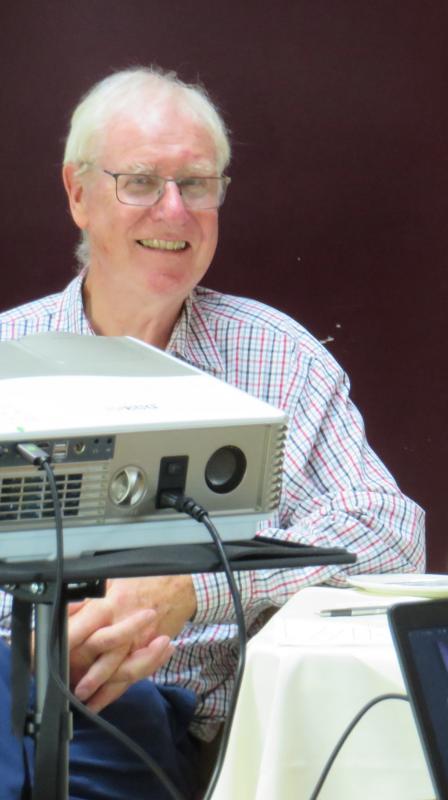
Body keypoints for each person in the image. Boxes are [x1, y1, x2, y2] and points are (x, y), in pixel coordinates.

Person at [0, 67, 425, 798]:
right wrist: (40, 633)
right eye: (141, 182)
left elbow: (390, 530)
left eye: (196, 184)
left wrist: (191, 590)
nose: (174, 211)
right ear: (78, 194)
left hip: (164, 714)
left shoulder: (276, 358)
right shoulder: (11, 355)